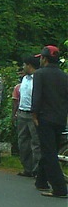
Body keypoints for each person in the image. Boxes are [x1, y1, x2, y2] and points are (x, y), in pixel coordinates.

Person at [32, 45, 68, 197]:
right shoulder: (64, 76)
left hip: (44, 118)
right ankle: (41, 181)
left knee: (49, 152)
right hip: (60, 118)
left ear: (44, 58)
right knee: (49, 148)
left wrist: (34, 115)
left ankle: (60, 188)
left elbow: (37, 96)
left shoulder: (40, 74)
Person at [15, 56, 40, 178]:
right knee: (23, 141)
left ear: (29, 65)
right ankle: (27, 168)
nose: (23, 67)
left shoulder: (39, 78)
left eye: (24, 65)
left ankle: (37, 170)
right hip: (22, 112)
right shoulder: (24, 78)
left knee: (36, 143)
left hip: (33, 114)